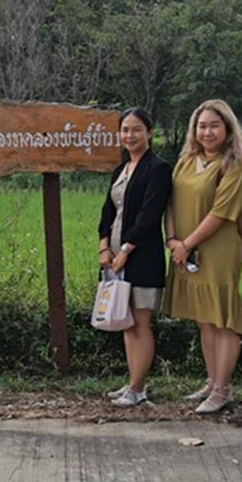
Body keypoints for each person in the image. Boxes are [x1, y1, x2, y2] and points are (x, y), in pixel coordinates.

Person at [162, 99, 242, 414]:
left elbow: (221, 213)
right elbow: (170, 202)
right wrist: (173, 239)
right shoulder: (187, 160)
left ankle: (223, 389)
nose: (207, 131)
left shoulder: (236, 165)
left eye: (214, 125)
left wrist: (187, 243)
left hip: (218, 250)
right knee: (205, 320)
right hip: (184, 249)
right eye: (202, 125)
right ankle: (212, 380)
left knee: (223, 320)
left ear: (227, 128)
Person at [98, 108, 172, 407]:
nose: (130, 135)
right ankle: (132, 382)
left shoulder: (158, 168)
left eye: (137, 129)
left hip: (142, 256)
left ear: (150, 133)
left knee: (140, 322)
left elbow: (149, 215)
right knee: (125, 321)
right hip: (114, 255)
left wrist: (126, 250)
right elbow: (107, 211)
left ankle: (138, 388)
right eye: (125, 130)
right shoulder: (121, 169)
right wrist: (105, 247)